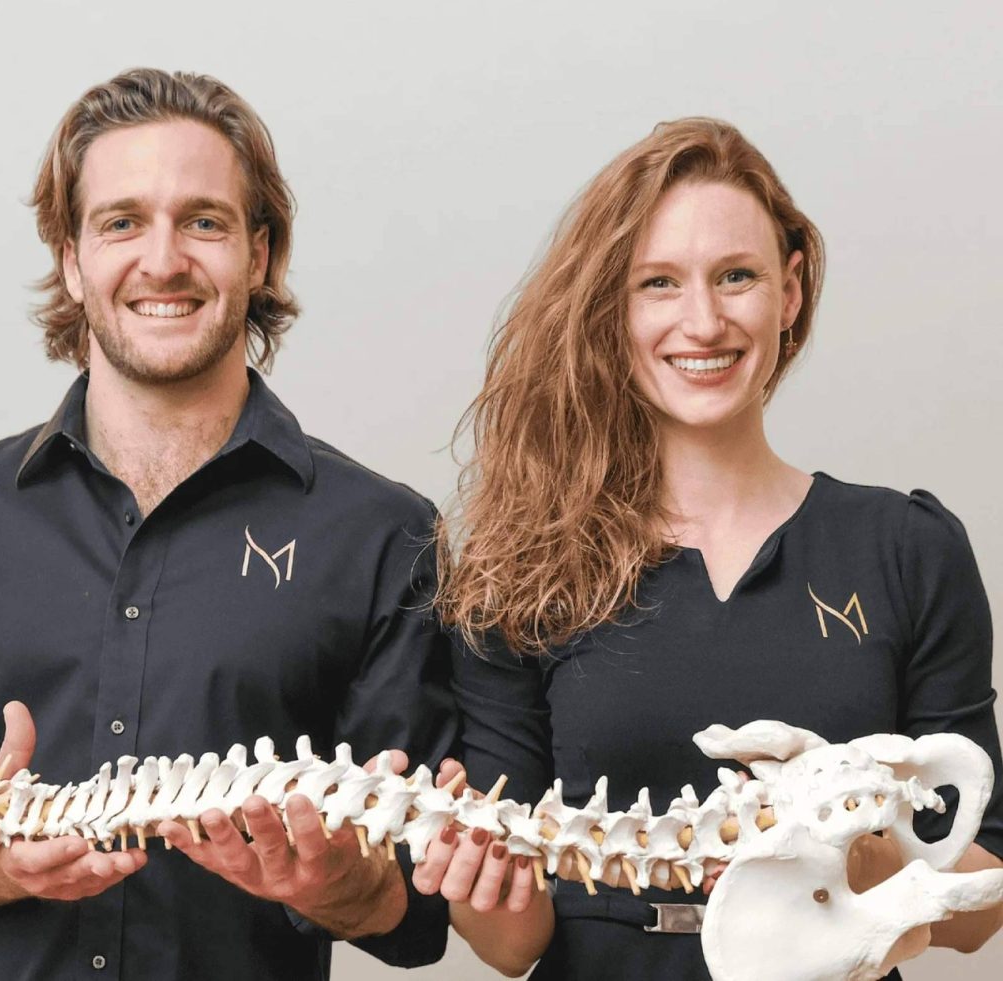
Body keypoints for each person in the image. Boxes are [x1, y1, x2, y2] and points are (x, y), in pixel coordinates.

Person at [0, 68, 456, 981]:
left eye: (204, 221)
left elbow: (420, 907)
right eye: (121, 222)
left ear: (260, 255)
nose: (163, 261)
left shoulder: (383, 535)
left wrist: (342, 883)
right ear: (72, 259)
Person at [411, 118, 1003, 978]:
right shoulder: (523, 573)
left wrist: (849, 850)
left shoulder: (908, 550)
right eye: (658, 283)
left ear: (788, 293)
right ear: (613, 310)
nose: (704, 320)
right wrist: (470, 874)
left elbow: (981, 902)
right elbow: (511, 946)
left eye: (736, 276)